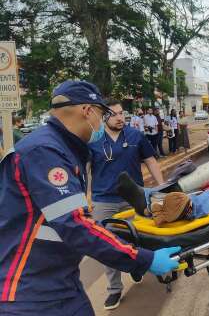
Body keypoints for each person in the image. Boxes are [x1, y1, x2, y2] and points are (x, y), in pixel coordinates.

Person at [0, 80, 179, 316]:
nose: (102, 121)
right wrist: (143, 259)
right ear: (88, 111)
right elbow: (75, 225)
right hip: (30, 294)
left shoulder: (64, 148)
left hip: (61, 282)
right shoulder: (45, 152)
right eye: (102, 114)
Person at [89, 100, 166, 310]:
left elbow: (150, 160)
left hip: (133, 199)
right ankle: (114, 288)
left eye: (122, 113)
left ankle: (136, 265)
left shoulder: (135, 136)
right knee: (106, 245)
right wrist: (83, 199)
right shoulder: (93, 141)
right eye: (114, 114)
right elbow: (86, 169)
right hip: (103, 200)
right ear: (104, 117)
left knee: (138, 238)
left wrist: (161, 187)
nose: (120, 118)